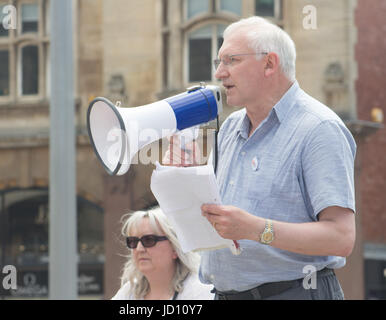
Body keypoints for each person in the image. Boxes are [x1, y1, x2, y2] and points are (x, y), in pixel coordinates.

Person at [163, 16, 356, 300]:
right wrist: (186, 178)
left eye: (231, 60)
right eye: (219, 62)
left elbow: (341, 238)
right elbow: (217, 221)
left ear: (269, 64)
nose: (219, 73)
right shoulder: (229, 127)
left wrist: (257, 229)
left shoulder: (319, 128)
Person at [112, 207, 214, 300]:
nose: (139, 249)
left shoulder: (198, 291)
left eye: (149, 240)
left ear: (175, 248)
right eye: (133, 241)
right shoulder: (129, 292)